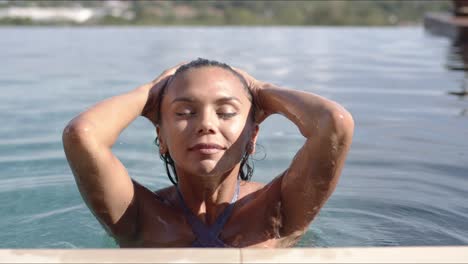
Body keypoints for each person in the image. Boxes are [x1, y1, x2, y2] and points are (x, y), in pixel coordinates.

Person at [62, 58, 354, 248]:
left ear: (252, 135)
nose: (206, 125)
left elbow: (333, 125)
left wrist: (261, 89)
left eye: (226, 112)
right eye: (185, 112)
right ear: (160, 136)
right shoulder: (139, 216)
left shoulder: (278, 210)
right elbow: (82, 135)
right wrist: (149, 92)